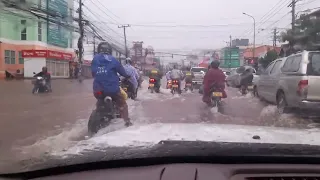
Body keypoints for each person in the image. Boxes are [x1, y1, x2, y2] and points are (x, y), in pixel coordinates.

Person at [91, 42, 132, 127]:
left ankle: (99, 112)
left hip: (98, 90)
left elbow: (93, 73)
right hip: (112, 90)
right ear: (109, 50)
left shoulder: (95, 59)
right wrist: (127, 76)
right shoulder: (113, 60)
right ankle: (127, 122)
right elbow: (122, 72)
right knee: (123, 103)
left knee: (99, 102)